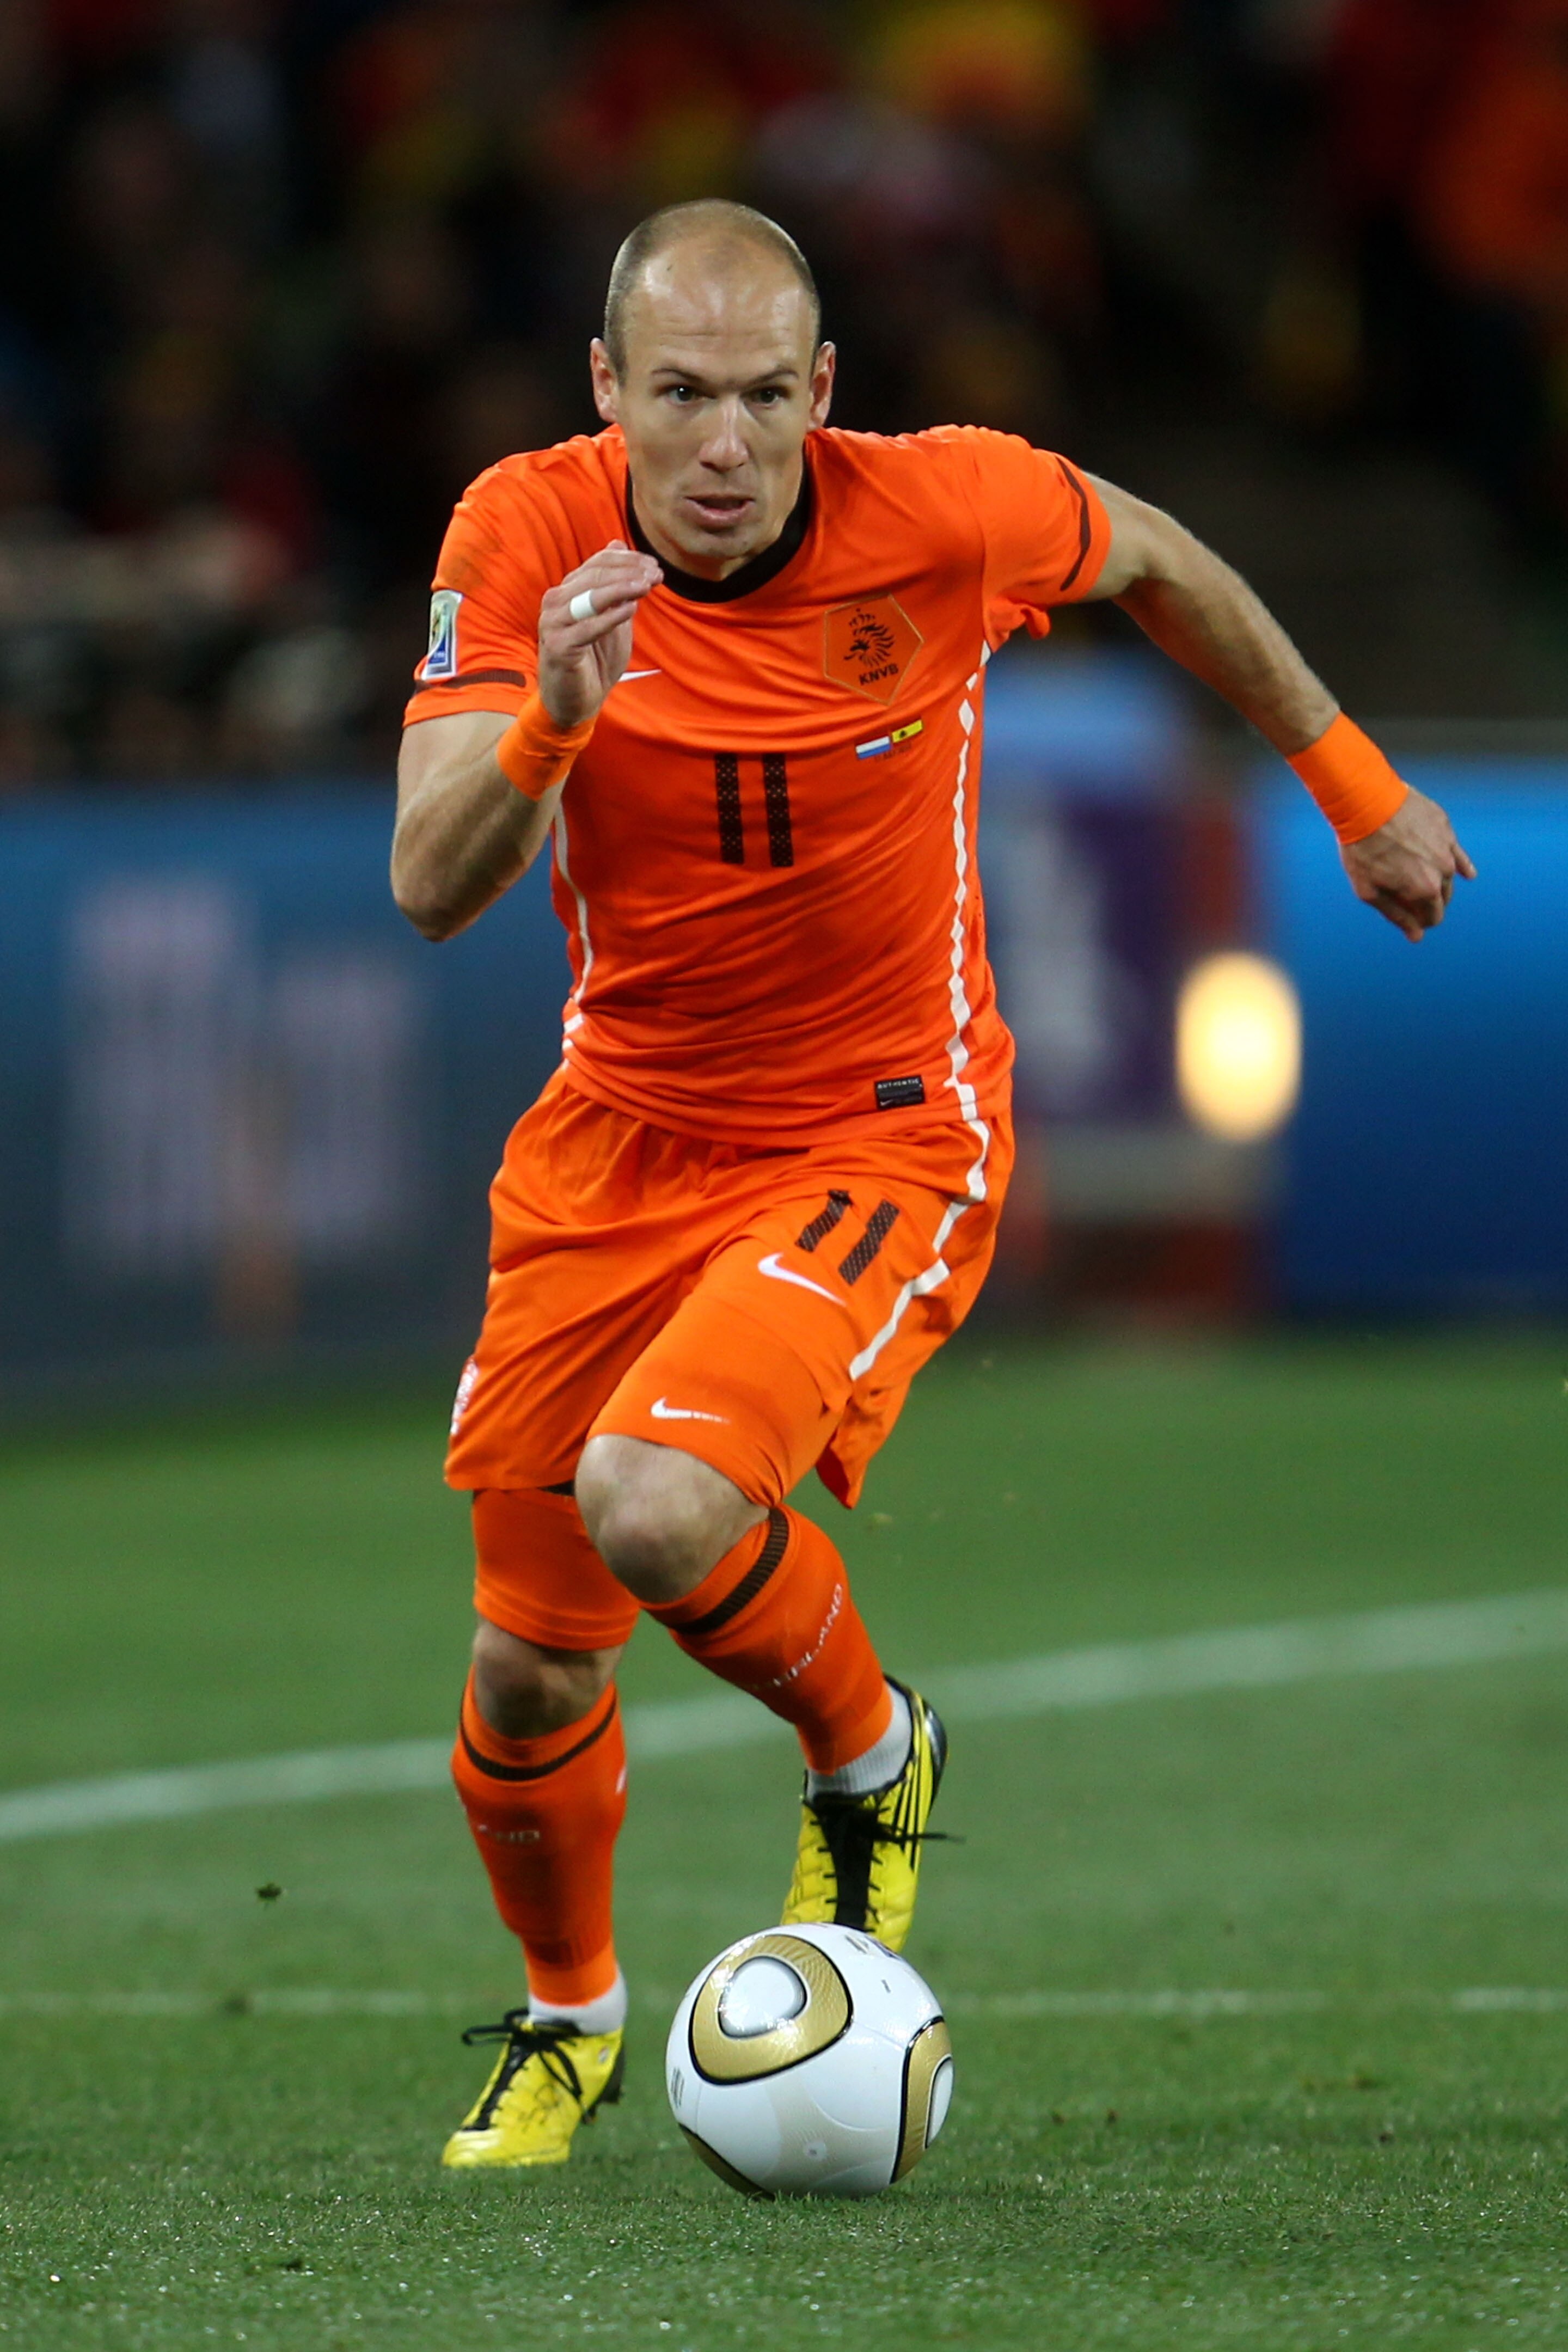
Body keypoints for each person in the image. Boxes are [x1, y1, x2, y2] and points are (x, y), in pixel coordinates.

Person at [391, 199, 1473, 2171]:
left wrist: (1357, 787)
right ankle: (571, 2021)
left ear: (825, 391)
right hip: (619, 1133)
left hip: (880, 1128)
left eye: (761, 397)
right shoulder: (525, 534)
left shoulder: (951, 509)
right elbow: (428, 883)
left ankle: (871, 1755)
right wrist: (552, 716)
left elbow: (1166, 557)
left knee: (658, 1501)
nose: (723, 446)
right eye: (678, 397)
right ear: (605, 392)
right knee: (529, 1666)